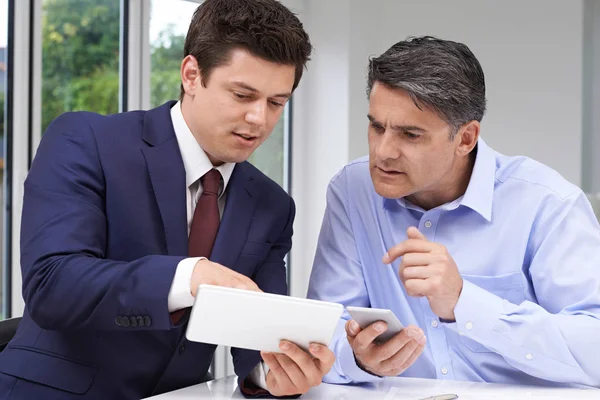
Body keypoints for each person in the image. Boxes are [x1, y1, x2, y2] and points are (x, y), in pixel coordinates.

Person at [0, 0, 335, 398]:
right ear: (191, 75)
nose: (259, 119)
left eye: (277, 103)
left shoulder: (272, 205)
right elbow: (51, 284)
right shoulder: (86, 140)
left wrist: (272, 375)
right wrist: (187, 277)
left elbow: (256, 340)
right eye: (243, 95)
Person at [307, 36, 600, 388]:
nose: (383, 151)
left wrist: (464, 302)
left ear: (465, 138)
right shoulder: (352, 190)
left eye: (410, 135)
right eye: (376, 126)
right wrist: (358, 359)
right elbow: (324, 333)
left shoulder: (548, 204)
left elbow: (594, 349)